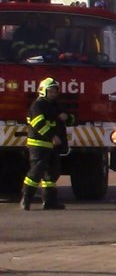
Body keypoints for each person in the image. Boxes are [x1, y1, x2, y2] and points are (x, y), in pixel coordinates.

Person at [21, 77, 75, 210]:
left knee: (52, 173)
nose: (53, 94)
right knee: (36, 172)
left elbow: (69, 119)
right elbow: (38, 124)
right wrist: (52, 136)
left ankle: (49, 201)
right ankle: (26, 199)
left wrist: (67, 117)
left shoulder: (55, 105)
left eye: (55, 92)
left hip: (51, 145)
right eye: (50, 92)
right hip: (39, 144)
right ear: (43, 91)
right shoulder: (38, 105)